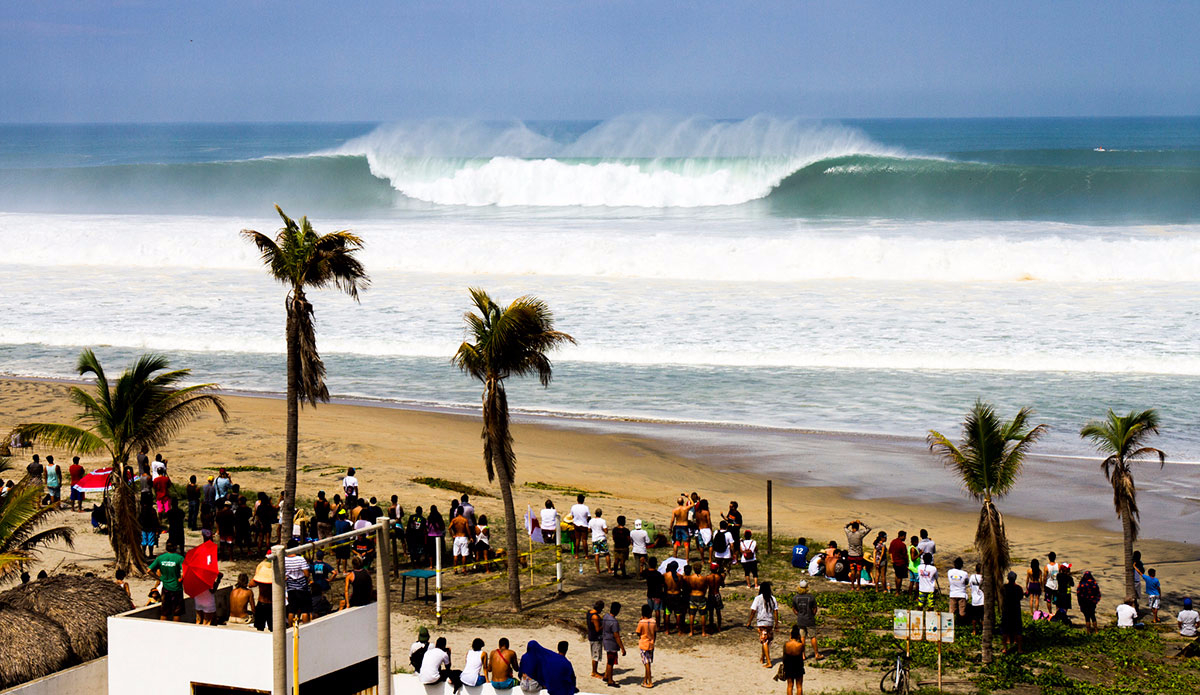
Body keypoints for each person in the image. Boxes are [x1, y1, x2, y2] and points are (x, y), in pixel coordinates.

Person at [148, 541, 184, 622]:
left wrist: (158, 578)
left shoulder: (160, 558)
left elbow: (149, 570)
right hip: (177, 588)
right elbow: (184, 572)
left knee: (164, 612)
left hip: (165, 588)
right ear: (175, 547)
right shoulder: (179, 558)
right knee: (177, 612)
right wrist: (181, 579)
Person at [749, 582, 779, 668]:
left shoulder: (758, 598)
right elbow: (776, 611)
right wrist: (776, 624)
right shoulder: (773, 598)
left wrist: (749, 621)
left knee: (764, 641)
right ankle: (762, 657)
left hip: (762, 622)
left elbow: (753, 611)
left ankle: (769, 662)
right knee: (767, 640)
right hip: (770, 622)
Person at [283, 539, 312, 624]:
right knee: (304, 610)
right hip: (302, 587)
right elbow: (306, 574)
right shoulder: (300, 559)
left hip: (291, 588)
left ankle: (291, 628)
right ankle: (306, 626)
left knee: (292, 610)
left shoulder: (284, 560)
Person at [790, 580, 820, 659]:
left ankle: (803, 655)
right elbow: (814, 609)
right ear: (807, 588)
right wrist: (812, 615)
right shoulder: (811, 597)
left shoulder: (795, 598)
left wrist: (798, 614)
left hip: (801, 620)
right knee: (812, 636)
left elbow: (793, 608)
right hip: (809, 619)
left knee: (802, 637)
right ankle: (816, 654)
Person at [601, 602, 626, 687]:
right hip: (611, 643)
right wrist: (622, 648)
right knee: (611, 662)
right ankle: (610, 680)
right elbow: (617, 636)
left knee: (609, 660)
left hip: (606, 640)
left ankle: (606, 676)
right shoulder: (614, 622)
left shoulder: (605, 617)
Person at [1001, 571, 1024, 653]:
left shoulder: (1004, 588)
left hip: (1006, 610)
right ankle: (1019, 649)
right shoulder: (1018, 588)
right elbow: (1021, 597)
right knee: (1018, 630)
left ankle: (1004, 648)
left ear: (1008, 578)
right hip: (1016, 611)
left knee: (1005, 630)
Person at [844, 520, 871, 590]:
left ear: (852, 527)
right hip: (858, 555)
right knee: (859, 570)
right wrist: (862, 523)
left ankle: (852, 586)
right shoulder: (860, 533)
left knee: (852, 570)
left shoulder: (849, 533)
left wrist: (849, 523)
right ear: (858, 527)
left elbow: (845, 527)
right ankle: (858, 586)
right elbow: (869, 528)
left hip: (851, 554)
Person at [635, 603, 656, 687]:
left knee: (646, 664)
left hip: (644, 644)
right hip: (651, 643)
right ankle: (645, 680)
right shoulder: (653, 621)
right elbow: (655, 633)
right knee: (648, 663)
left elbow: (638, 632)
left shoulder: (641, 622)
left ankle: (650, 681)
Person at [662, 560, 685, 634]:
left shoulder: (665, 575)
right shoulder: (680, 576)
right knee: (678, 613)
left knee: (667, 613)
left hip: (668, 595)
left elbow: (663, 585)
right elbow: (681, 586)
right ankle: (679, 630)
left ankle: (667, 630)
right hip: (677, 595)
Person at [642, 558, 666, 629]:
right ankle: (658, 625)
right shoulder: (658, 574)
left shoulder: (647, 572)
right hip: (657, 594)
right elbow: (662, 584)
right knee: (657, 610)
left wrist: (642, 564)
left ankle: (648, 624)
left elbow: (641, 574)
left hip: (650, 593)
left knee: (649, 610)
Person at [685, 563, 708, 636]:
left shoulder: (690, 578)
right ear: (700, 569)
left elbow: (688, 587)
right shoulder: (703, 578)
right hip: (700, 595)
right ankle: (703, 632)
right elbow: (705, 588)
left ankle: (691, 631)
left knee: (692, 614)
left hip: (692, 595)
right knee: (702, 614)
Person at [782, 625, 806, 695]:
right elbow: (802, 651)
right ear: (798, 635)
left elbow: (784, 656)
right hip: (798, 665)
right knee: (799, 686)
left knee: (790, 685)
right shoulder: (800, 645)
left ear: (791, 635)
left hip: (788, 666)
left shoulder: (786, 644)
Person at [669, 495, 695, 559]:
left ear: (677, 502)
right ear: (683, 502)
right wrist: (688, 496)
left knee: (676, 542)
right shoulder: (685, 508)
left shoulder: (675, 510)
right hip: (684, 526)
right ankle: (687, 558)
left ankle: (675, 556)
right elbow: (693, 504)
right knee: (686, 543)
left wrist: (670, 528)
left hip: (677, 526)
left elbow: (672, 520)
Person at [449, 506, 473, 572]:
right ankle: (463, 568)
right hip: (463, 537)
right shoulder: (465, 520)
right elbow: (467, 529)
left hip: (457, 537)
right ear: (462, 512)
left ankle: (455, 568)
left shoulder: (454, 520)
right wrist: (470, 537)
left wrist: (452, 535)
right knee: (464, 554)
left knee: (455, 554)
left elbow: (449, 528)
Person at [253, 556, 274, 631]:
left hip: (261, 603)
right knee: (272, 628)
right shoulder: (273, 581)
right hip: (271, 603)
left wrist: (258, 574)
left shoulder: (260, 580)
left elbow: (251, 584)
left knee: (260, 628)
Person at [586, 600, 605, 679]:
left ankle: (595, 671)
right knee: (595, 655)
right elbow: (598, 629)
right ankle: (594, 672)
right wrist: (604, 624)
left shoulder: (589, 612)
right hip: (595, 637)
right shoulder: (595, 617)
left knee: (595, 654)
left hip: (591, 635)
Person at [589, 509, 611, 574]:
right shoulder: (602, 521)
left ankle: (598, 570)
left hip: (595, 539)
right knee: (606, 553)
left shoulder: (591, 521)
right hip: (601, 538)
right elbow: (606, 530)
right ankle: (609, 569)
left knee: (596, 554)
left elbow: (589, 529)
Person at [570, 494, 591, 558]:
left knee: (577, 539)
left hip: (576, 524)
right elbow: (589, 517)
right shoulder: (586, 507)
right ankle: (586, 555)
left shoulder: (573, 507)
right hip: (584, 524)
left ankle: (576, 554)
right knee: (584, 540)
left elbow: (572, 516)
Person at [968, 564, 986, 634]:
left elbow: (970, 586)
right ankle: (984, 631)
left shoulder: (972, 577)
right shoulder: (983, 578)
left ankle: (974, 630)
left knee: (974, 618)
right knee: (983, 618)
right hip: (982, 600)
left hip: (974, 601)